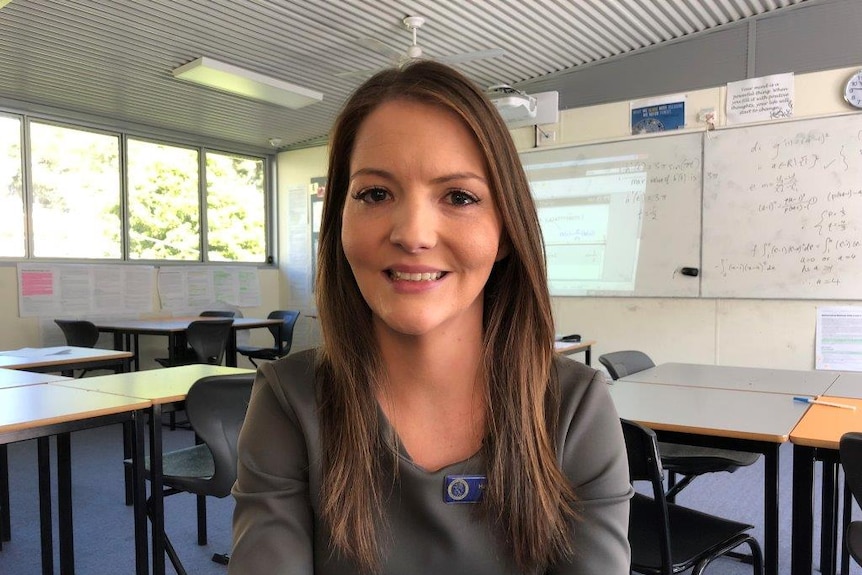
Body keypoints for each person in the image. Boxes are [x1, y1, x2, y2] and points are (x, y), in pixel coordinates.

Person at [230, 60, 632, 575]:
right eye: (375, 194)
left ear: (507, 231)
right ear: (339, 224)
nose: (413, 234)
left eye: (459, 197)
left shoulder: (574, 409)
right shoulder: (290, 400)